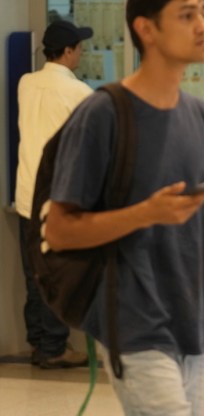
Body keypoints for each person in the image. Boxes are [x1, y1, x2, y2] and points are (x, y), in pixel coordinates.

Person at [43, 0, 204, 415]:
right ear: (146, 29)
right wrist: (144, 213)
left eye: (201, 12)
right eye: (186, 15)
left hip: (193, 321)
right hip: (131, 319)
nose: (202, 26)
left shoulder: (201, 118)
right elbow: (60, 230)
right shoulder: (104, 113)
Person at [15, 20, 93, 369]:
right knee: (56, 273)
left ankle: (38, 342)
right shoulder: (79, 93)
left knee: (34, 271)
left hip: (26, 193)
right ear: (66, 52)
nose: (82, 53)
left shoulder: (26, 84)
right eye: (79, 47)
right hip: (57, 197)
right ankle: (54, 348)